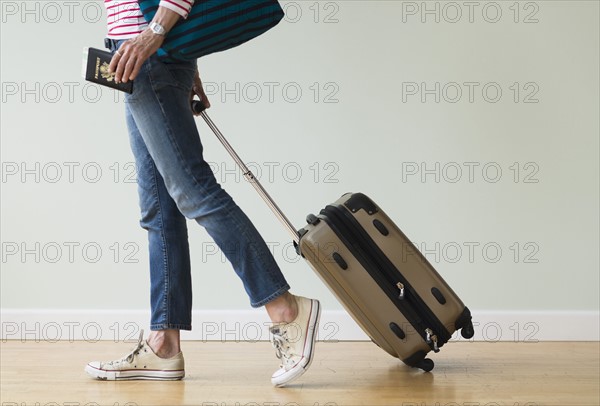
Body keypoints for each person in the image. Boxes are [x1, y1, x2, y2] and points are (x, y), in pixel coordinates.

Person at [84, 0, 320, 387]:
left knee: (194, 192)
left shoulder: (151, 41)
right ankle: (164, 344)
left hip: (148, 53)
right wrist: (182, 58)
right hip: (139, 56)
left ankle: (286, 310)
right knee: (158, 210)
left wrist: (154, 35)